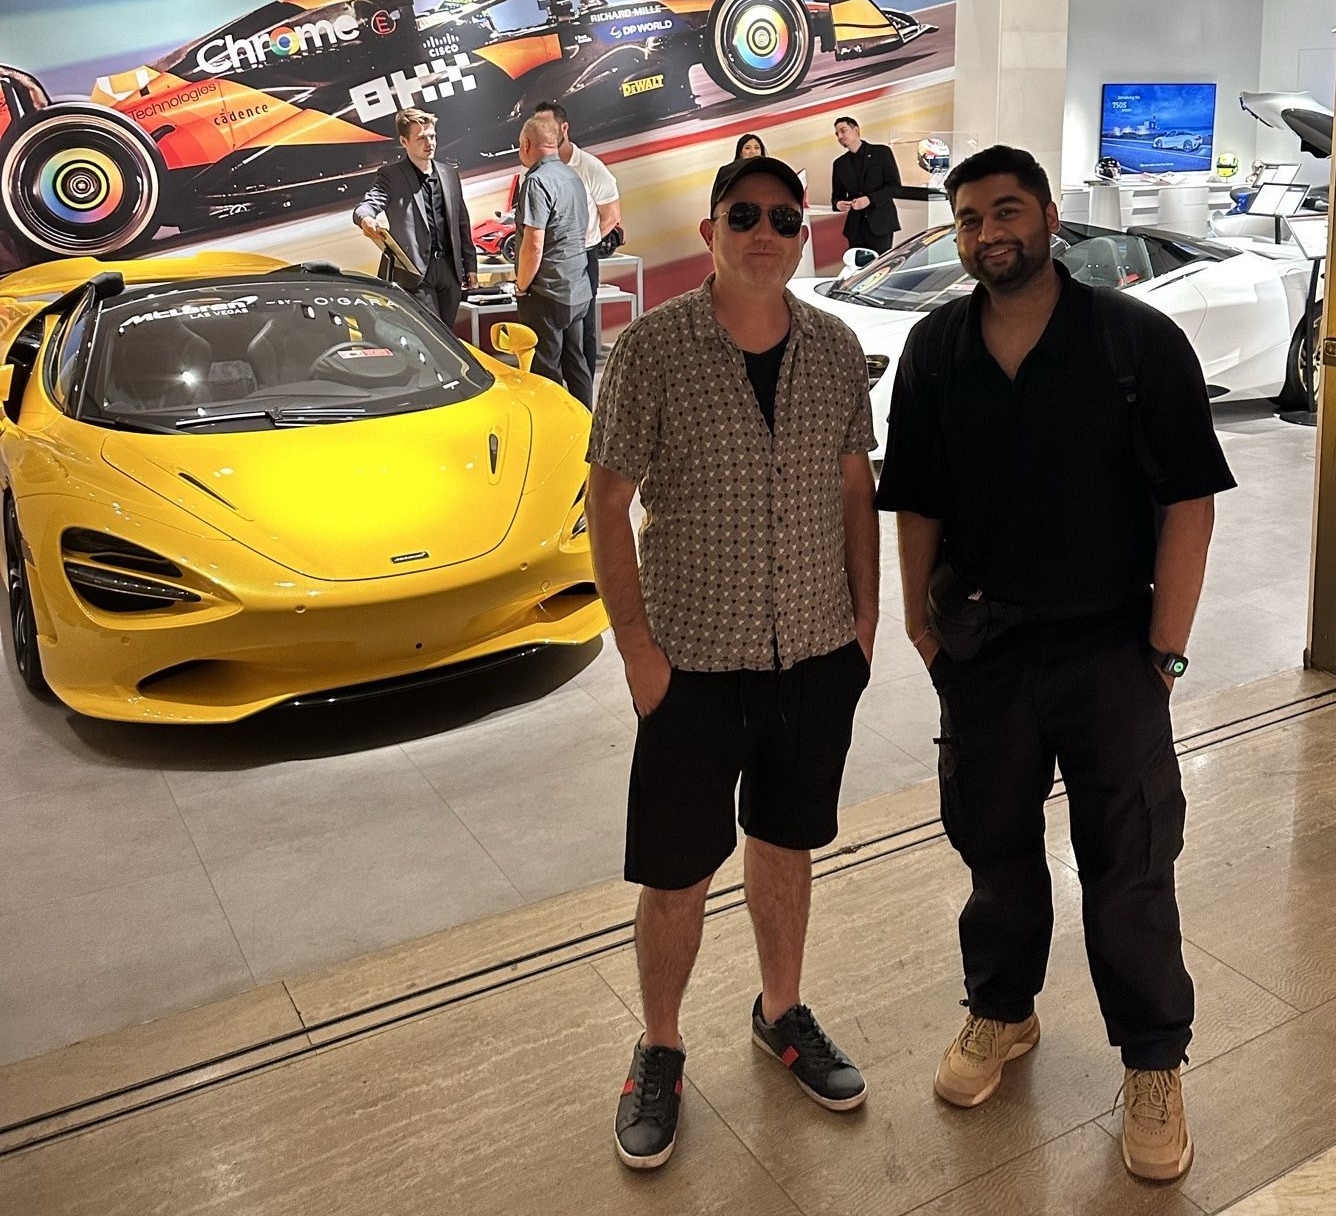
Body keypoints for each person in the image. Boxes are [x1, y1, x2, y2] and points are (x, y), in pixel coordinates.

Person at [876, 144, 1235, 1184]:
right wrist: (920, 625)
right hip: (984, 647)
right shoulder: (938, 349)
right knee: (992, 846)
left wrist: (1166, 647)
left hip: (1111, 644)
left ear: (1047, 217)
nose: (990, 232)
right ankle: (1002, 1010)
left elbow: (1189, 503)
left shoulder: (1135, 343)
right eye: (970, 218)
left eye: (1007, 210)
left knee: (1129, 864)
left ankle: (1156, 1064)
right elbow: (919, 501)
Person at [587, 153, 880, 1171]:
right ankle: (660, 1045)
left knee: (786, 843)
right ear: (711, 229)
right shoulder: (652, 349)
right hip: (692, 660)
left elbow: (855, 491)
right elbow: (606, 498)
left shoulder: (838, 350)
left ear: (805, 236)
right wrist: (635, 649)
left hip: (812, 649)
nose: (766, 231)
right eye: (745, 214)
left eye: (785, 219)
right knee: (676, 872)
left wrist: (865, 626)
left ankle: (782, 1010)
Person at [353, 107, 477, 326]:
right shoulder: (391, 175)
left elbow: (461, 223)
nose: (430, 143)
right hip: (417, 273)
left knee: (447, 335)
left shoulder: (449, 173)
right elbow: (367, 205)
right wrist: (366, 219)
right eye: (421, 138)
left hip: (450, 271)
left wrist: (471, 267)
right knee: (431, 333)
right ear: (404, 141)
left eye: (432, 136)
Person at [531, 101, 622, 378]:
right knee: (551, 336)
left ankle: (584, 401)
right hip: (550, 262)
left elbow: (611, 215)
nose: (542, 133)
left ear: (564, 128)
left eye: (547, 126)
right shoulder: (535, 170)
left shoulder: (591, 167)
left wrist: (583, 243)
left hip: (583, 258)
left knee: (584, 330)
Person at [511, 114, 593, 407]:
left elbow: (533, 244)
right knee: (577, 364)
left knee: (545, 372)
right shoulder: (572, 177)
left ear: (526, 143)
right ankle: (588, 428)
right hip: (577, 289)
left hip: (545, 293)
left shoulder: (536, 181)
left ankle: (553, 435)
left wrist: (521, 286)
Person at [831, 115, 901, 255]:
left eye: (843, 131)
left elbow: (894, 187)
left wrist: (869, 199)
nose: (840, 136)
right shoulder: (839, 164)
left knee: (880, 269)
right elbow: (836, 196)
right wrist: (838, 204)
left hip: (880, 225)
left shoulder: (881, 153)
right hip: (856, 229)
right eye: (837, 134)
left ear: (856, 130)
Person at [710, 132, 767, 198]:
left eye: (756, 148)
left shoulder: (770, 170)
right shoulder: (727, 172)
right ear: (740, 153)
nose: (753, 152)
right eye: (747, 148)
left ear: (761, 152)